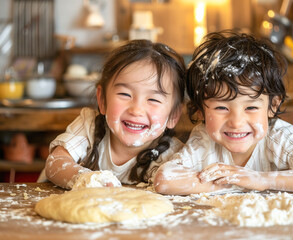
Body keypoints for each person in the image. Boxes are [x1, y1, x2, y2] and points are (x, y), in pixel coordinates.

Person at [154, 30, 293, 195]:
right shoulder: (204, 140)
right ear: (200, 111)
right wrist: (235, 184)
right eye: (221, 108)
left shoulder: (278, 137)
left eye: (251, 107)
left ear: (272, 106)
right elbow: (165, 179)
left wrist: (261, 180)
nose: (236, 122)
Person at [40, 39, 186, 189]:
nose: (136, 110)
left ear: (173, 115)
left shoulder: (174, 157)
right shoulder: (89, 126)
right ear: (102, 100)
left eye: (153, 99)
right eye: (125, 94)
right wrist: (86, 179)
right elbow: (55, 162)